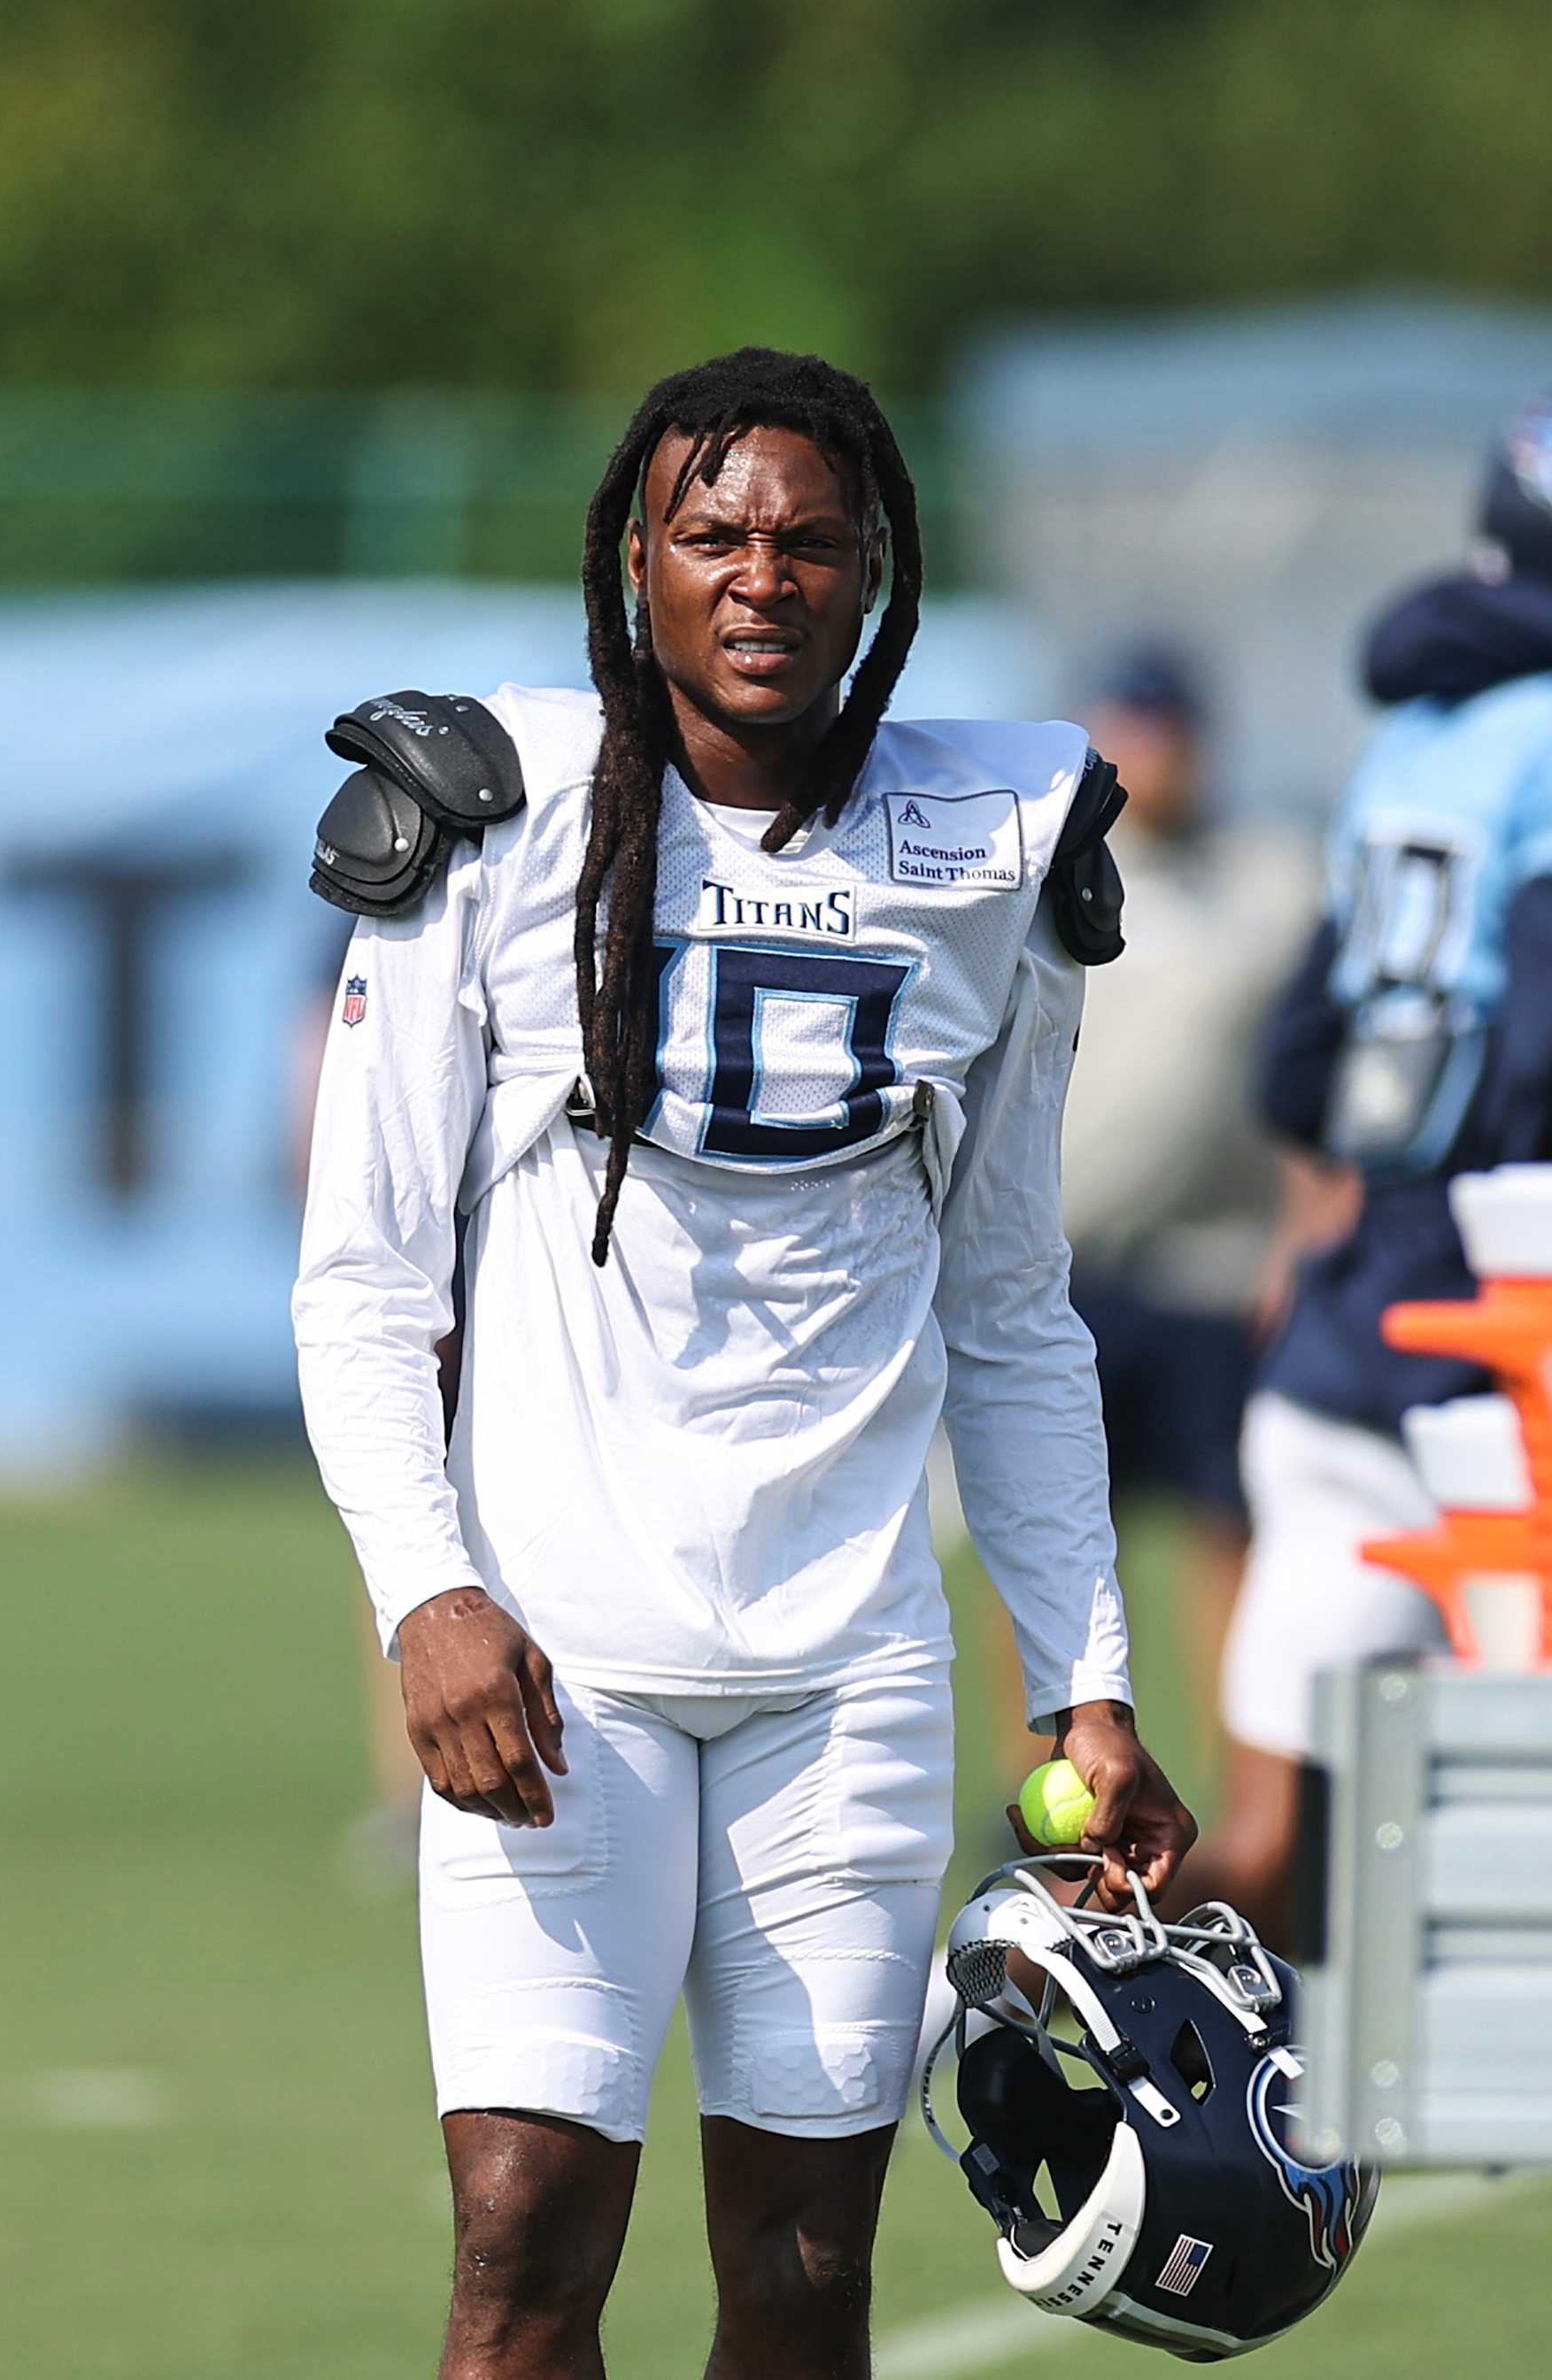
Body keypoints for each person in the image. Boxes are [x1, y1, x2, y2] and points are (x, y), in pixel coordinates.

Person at [292, 347, 1194, 2380]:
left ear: (876, 569)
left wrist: (1089, 1676)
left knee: (804, 2274)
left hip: (845, 1655)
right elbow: (361, 1279)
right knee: (523, 2238)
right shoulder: (491, 817)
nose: (762, 575)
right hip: (555, 1651)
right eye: (715, 532)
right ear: (639, 556)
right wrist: (425, 1588)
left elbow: (1013, 1313)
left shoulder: (992, 842)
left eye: (810, 538)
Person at [1175, 396, 1552, 1945]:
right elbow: (1535, 1049)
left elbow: (1297, 1067)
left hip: (1351, 1332)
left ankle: (1027, 2021)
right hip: (1507, 1346)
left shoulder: (1418, 736)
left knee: (1266, 1854)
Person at [1057, 645, 1317, 1778]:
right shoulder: (1041, 869)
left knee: (1234, 1541)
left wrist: (1304, 1242)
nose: (1154, 757)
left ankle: (1239, 1810)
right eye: (1134, 729)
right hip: (1072, 1269)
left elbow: (1322, 1087)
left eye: (1170, 732)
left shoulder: (1271, 882)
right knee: (1056, 1545)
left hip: (1219, 1267)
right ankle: (1059, 1792)